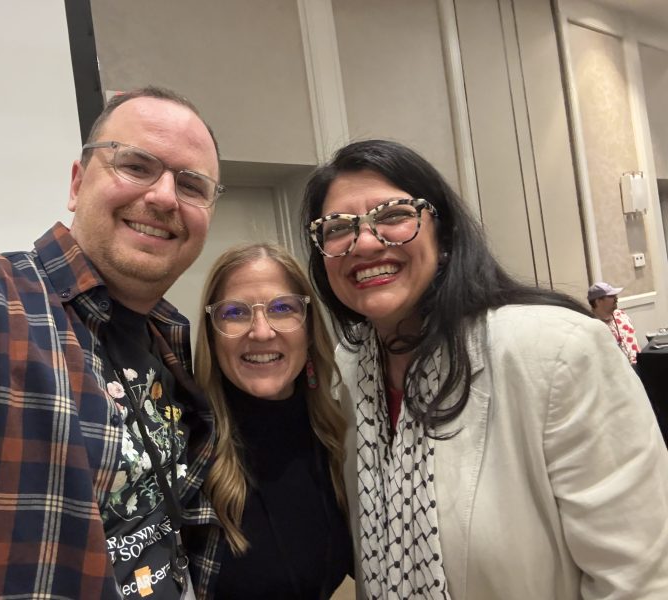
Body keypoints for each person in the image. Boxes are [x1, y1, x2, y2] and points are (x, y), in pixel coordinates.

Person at [0, 86, 222, 598]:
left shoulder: (167, 339)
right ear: (77, 184)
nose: (165, 196)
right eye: (136, 165)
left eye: (191, 184)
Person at [301, 139, 668, 599]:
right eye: (338, 227)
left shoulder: (557, 350)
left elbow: (640, 580)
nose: (367, 242)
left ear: (444, 236)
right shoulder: (350, 368)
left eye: (393, 214)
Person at [185, 243, 352, 599]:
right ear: (212, 336)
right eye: (235, 312)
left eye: (282, 308)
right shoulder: (187, 452)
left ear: (309, 329)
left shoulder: (338, 435)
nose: (261, 332)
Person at [587, 281, 640, 364]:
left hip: (637, 365)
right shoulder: (591, 326)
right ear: (598, 301)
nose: (616, 299)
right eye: (611, 296)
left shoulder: (621, 315)